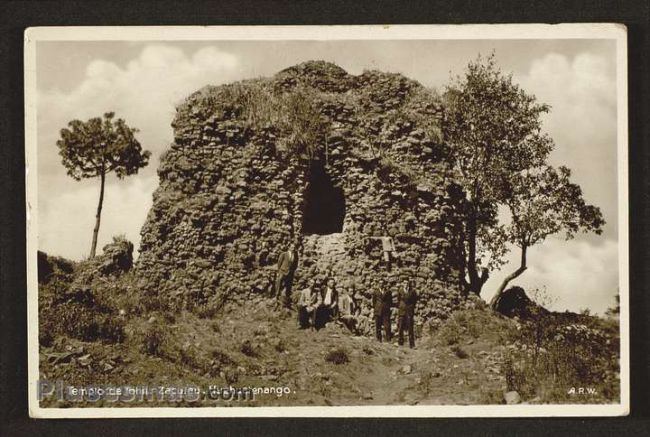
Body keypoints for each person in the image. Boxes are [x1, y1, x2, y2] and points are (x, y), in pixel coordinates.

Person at [274, 241, 299, 308]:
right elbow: (279, 262)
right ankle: (277, 295)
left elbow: (296, 263)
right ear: (289, 247)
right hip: (283, 271)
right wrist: (279, 270)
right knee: (279, 281)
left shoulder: (295, 255)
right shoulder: (284, 254)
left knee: (288, 285)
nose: (293, 248)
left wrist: (293, 270)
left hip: (290, 272)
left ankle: (286, 298)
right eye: (292, 247)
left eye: (294, 247)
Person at [397, 278, 418, 348]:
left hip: (409, 311)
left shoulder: (412, 291)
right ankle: (400, 343)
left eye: (407, 283)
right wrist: (401, 306)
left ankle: (412, 344)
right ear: (402, 284)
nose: (405, 284)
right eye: (404, 283)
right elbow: (398, 300)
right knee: (400, 327)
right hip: (402, 311)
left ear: (409, 284)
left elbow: (414, 301)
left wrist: (411, 308)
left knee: (410, 328)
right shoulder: (400, 291)